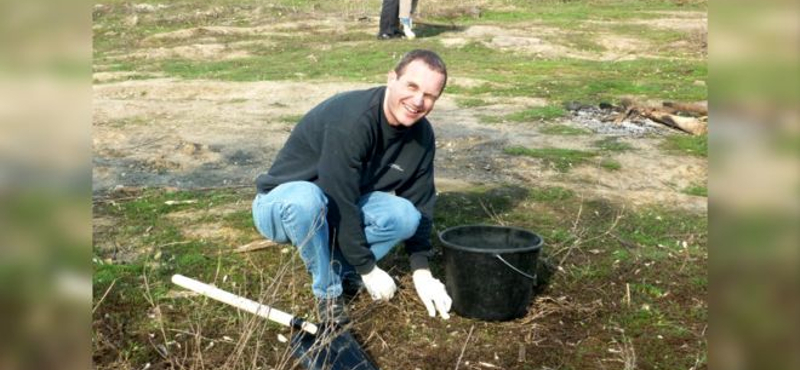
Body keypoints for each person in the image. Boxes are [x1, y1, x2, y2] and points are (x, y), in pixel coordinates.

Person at [252, 49, 452, 325]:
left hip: (334, 208)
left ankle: (342, 269)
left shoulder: (421, 136)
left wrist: (422, 271)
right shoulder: (353, 120)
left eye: (430, 96)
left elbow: (421, 203)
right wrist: (368, 268)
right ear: (391, 79)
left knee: (405, 215)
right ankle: (328, 293)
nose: (418, 101)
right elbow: (338, 196)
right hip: (283, 204)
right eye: (412, 86)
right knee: (307, 200)